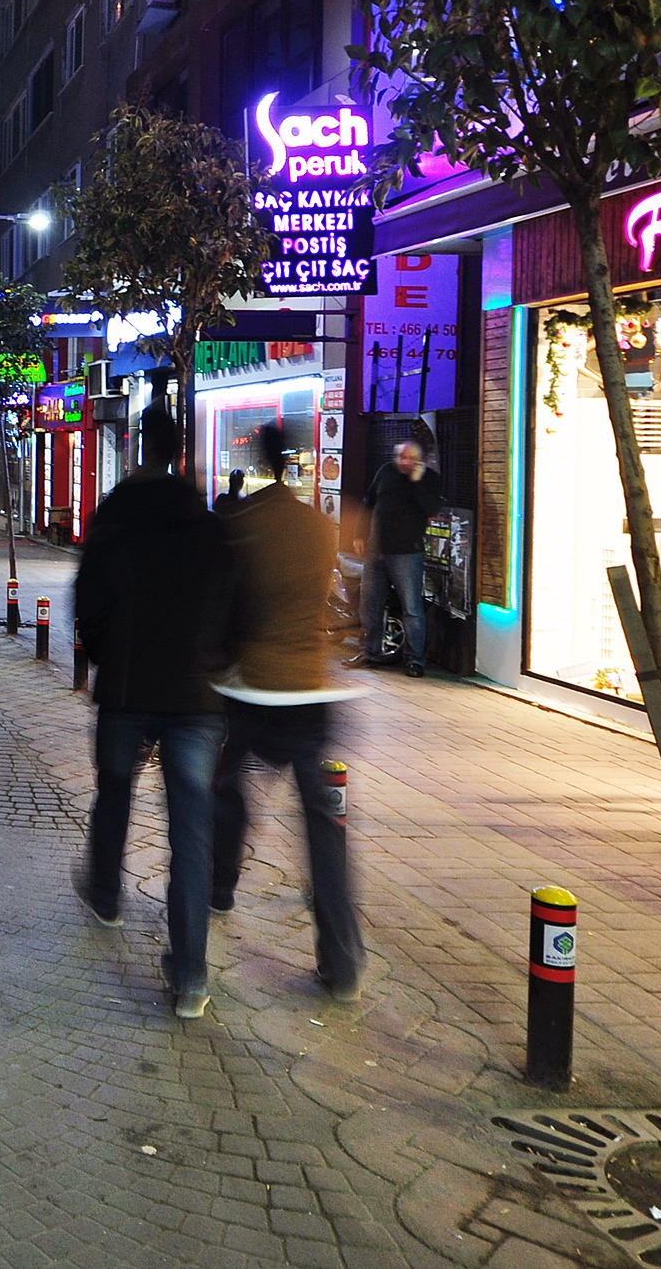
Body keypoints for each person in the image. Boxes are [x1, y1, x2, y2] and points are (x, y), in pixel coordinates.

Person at [73, 404, 236, 1020]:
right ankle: (190, 977)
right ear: (182, 449)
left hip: (127, 689)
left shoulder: (116, 512)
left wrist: (104, 655)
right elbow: (235, 600)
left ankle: (107, 894)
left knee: (114, 790)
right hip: (195, 699)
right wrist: (217, 663)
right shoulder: (206, 519)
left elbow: (87, 597)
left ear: (141, 444)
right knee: (191, 829)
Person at [214, 419, 367, 1000]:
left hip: (254, 690)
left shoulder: (245, 527)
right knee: (325, 830)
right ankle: (342, 959)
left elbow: (233, 609)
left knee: (226, 788)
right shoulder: (319, 527)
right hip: (312, 693)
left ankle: (220, 885)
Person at [354, 437, 442, 675]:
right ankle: (369, 652)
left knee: (412, 608)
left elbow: (431, 508)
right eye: (401, 457)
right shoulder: (385, 472)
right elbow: (369, 501)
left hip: (407, 553)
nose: (404, 462)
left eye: (409, 458)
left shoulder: (428, 479)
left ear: (419, 461)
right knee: (370, 604)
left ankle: (415, 660)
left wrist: (416, 481)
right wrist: (360, 535)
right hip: (377, 550)